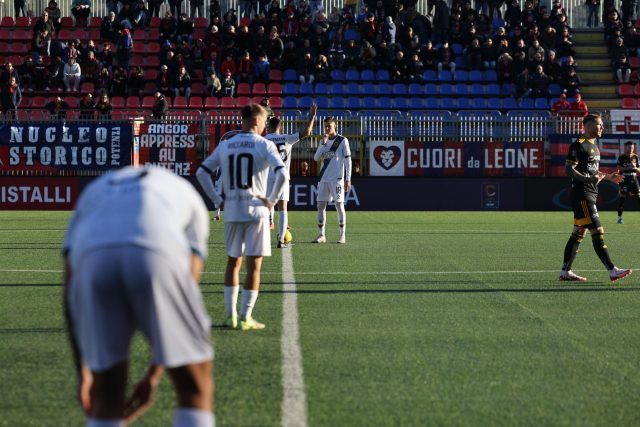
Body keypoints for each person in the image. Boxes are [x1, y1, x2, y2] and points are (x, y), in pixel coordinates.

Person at [63, 166, 214, 426]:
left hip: (93, 258)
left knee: (106, 397)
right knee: (194, 389)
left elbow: (69, 283)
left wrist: (84, 371)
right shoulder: (186, 193)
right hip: (156, 252)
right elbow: (188, 281)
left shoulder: (94, 190)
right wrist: (154, 375)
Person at [195, 104, 288, 330]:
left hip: (233, 209)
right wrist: (272, 201)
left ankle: (230, 316)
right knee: (254, 265)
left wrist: (218, 201)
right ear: (256, 121)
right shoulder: (264, 144)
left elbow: (201, 172)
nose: (266, 125)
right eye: (265, 121)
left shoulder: (226, 144)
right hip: (257, 210)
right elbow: (282, 173)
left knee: (232, 262)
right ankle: (246, 316)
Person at [559, 113, 632, 282]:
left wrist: (608, 177)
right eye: (599, 125)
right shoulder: (578, 145)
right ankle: (612, 270)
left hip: (590, 192)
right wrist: (587, 179)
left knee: (578, 232)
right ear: (589, 125)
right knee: (597, 230)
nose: (602, 128)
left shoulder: (594, 146)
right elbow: (569, 170)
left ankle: (565, 271)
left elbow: (593, 172)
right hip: (582, 194)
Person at [266, 103, 317, 248]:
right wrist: (312, 116)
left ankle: (259, 238)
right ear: (280, 128)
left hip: (268, 177)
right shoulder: (287, 138)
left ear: (268, 127)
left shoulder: (264, 140)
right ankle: (281, 241)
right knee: (283, 208)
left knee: (266, 207)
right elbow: (307, 132)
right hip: (282, 177)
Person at [312, 116, 352, 244]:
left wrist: (348, 178)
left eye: (329, 125)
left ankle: (342, 235)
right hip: (323, 178)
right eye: (326, 126)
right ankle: (321, 235)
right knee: (320, 206)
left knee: (339, 205)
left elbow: (348, 160)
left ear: (335, 125)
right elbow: (316, 158)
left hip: (337, 179)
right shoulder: (323, 141)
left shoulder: (342, 140)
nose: (327, 128)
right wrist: (322, 144)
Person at [616, 141, 640, 224]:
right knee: (622, 198)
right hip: (624, 179)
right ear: (625, 147)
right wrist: (627, 168)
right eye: (629, 147)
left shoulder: (635, 157)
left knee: (638, 197)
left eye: (632, 148)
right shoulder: (622, 157)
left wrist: (635, 168)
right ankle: (619, 218)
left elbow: (639, 169)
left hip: (634, 179)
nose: (631, 149)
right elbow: (618, 167)